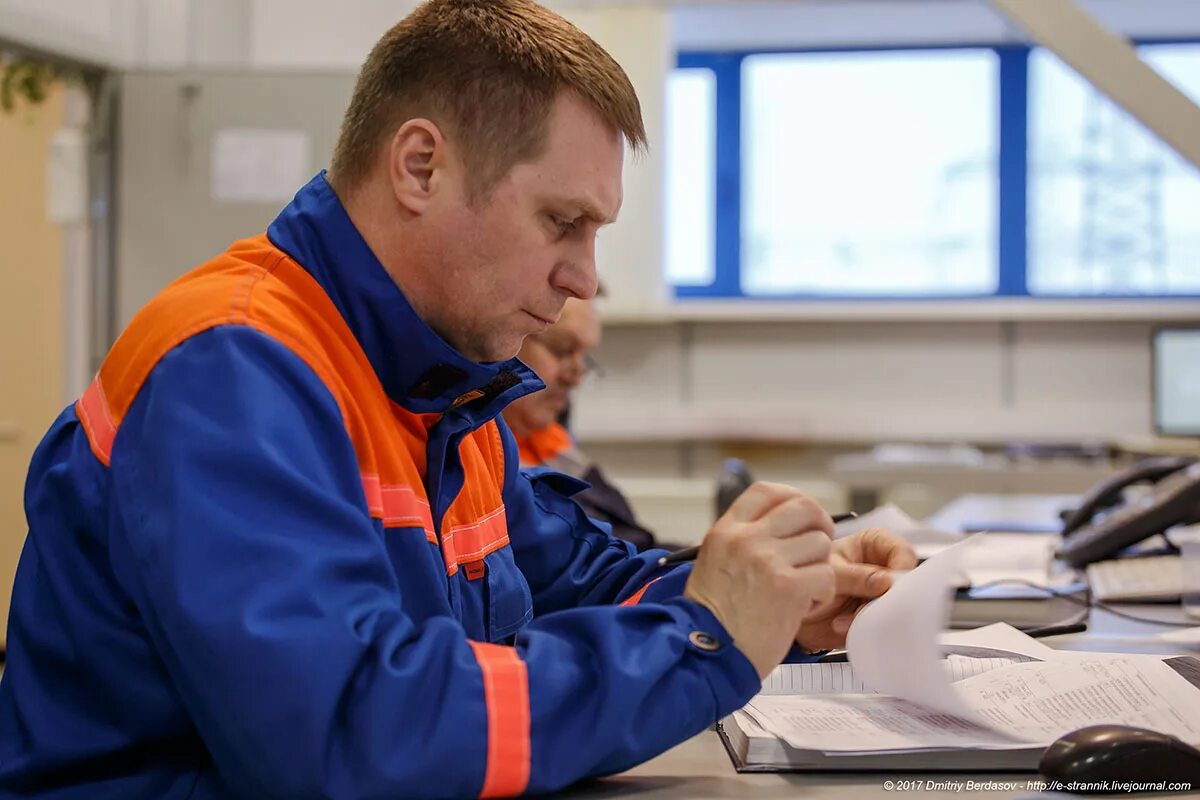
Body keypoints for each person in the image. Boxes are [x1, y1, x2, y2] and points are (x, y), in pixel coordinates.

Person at [0, 1, 916, 797]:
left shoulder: (443, 390)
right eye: (564, 223)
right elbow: (350, 733)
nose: (583, 280)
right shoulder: (233, 370)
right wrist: (703, 640)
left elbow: (579, 588)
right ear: (420, 167)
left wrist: (779, 592)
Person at [503, 293, 672, 552]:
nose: (576, 378)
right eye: (561, 350)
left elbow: (625, 548)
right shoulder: (476, 463)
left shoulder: (550, 441)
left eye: (584, 357)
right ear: (501, 339)